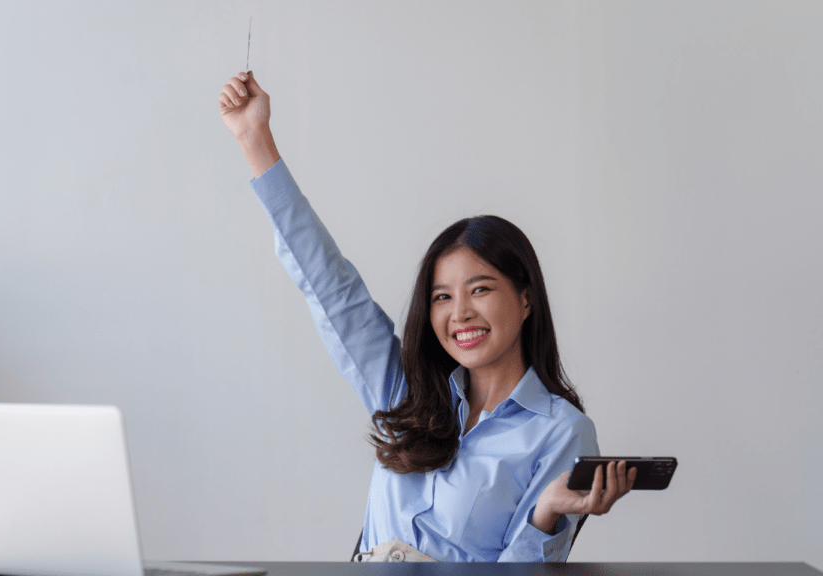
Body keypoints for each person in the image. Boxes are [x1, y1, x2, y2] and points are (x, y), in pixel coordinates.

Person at [218, 71, 636, 562]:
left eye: (480, 289)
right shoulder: (405, 394)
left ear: (526, 300)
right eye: (441, 297)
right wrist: (254, 138)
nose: (460, 313)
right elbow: (330, 286)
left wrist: (544, 515)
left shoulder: (562, 431)